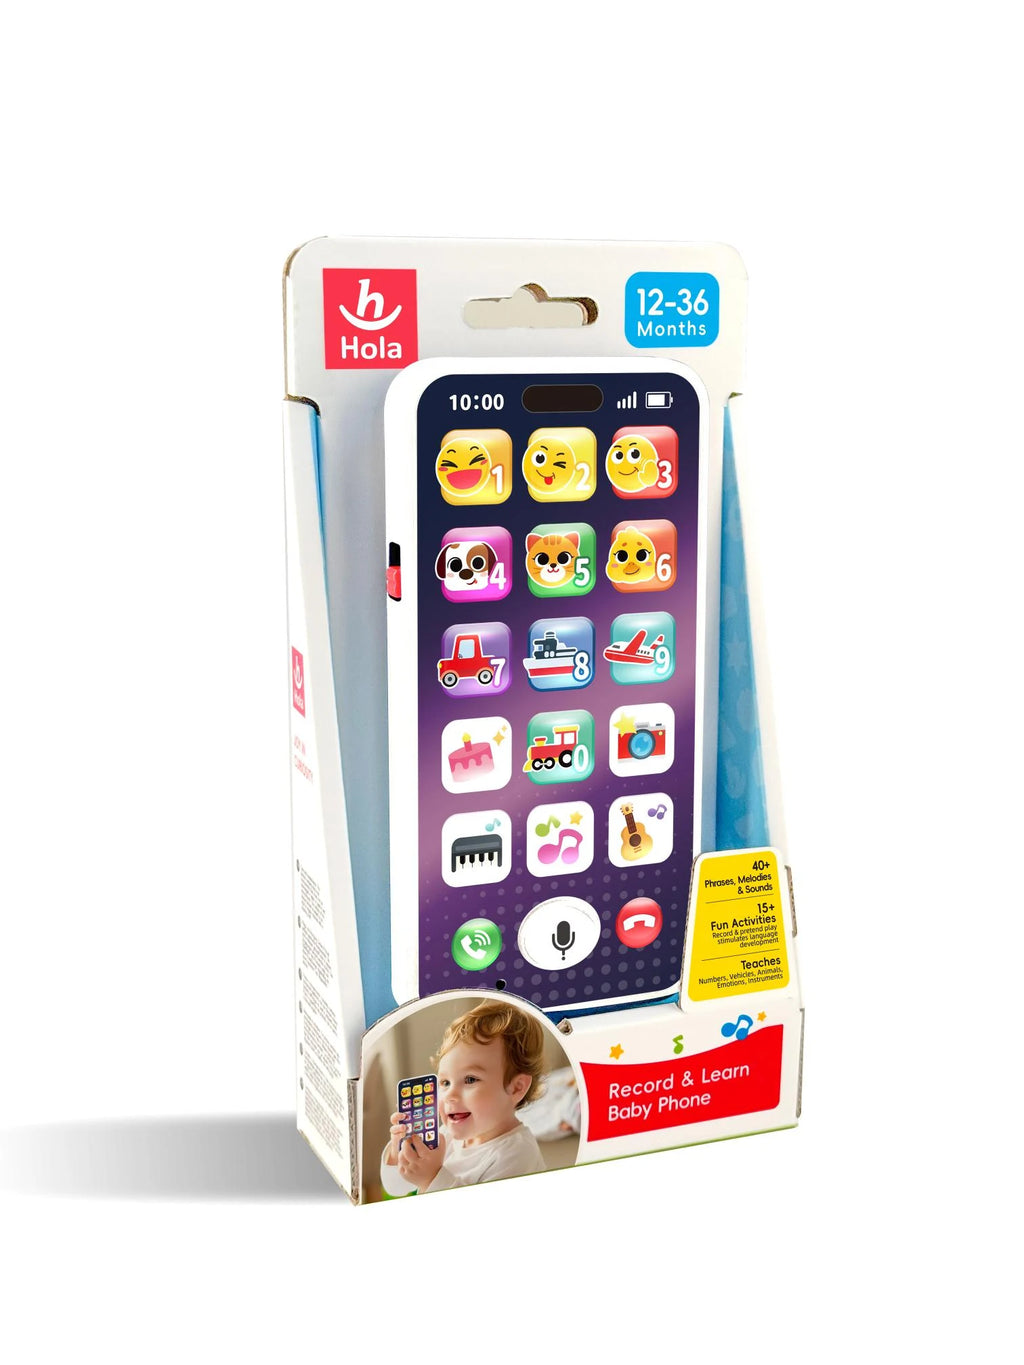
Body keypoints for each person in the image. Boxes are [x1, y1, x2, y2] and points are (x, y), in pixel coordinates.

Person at [381, 1000, 547, 1196]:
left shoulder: (518, 1155)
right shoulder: (446, 1136)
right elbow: (396, 1189)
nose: (450, 1095)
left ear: (516, 1088)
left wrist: (432, 1178)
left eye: (470, 1079)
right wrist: (398, 1154)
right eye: (445, 1082)